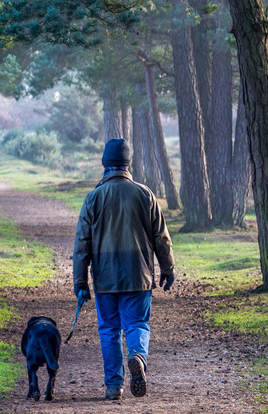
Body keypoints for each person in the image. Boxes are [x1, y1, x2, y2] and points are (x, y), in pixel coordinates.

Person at [73, 138, 175, 401]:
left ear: (105, 164)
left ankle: (114, 386)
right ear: (128, 165)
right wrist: (167, 268)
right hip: (138, 276)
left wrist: (80, 282)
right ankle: (137, 356)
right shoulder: (145, 194)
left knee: (109, 330)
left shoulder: (93, 197)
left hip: (105, 278)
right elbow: (161, 238)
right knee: (137, 323)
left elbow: (81, 244)